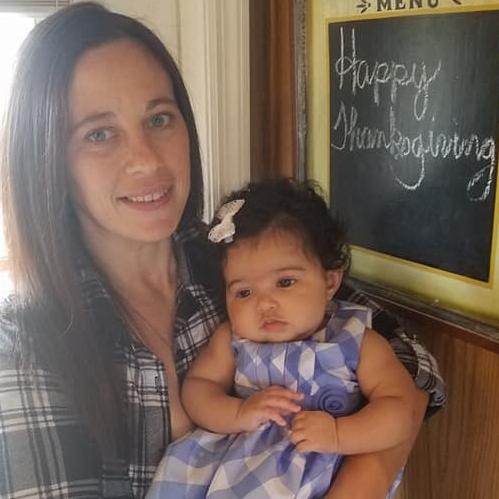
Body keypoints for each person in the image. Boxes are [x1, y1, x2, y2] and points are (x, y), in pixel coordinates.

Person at [0, 3, 445, 499]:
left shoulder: (228, 256)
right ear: (48, 162)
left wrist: (365, 472)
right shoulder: (22, 350)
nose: (146, 160)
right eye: (99, 134)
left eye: (159, 118)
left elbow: (413, 362)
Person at [146, 178, 421, 499]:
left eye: (285, 282)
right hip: (237, 472)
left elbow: (400, 410)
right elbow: (198, 389)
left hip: (321, 469)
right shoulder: (233, 339)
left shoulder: (357, 341)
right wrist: (238, 413)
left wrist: (338, 434)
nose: (264, 304)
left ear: (330, 282)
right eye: (244, 292)